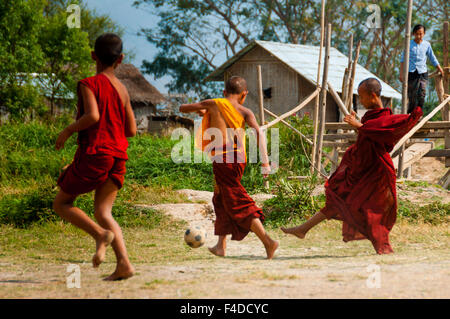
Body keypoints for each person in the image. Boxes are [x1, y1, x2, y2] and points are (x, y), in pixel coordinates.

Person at [282, 78, 423, 254]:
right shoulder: (371, 118)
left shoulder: (386, 118)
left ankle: (383, 247)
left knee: (372, 208)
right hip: (360, 169)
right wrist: (360, 126)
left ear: (373, 96)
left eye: (363, 97)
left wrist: (360, 126)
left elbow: (382, 133)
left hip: (375, 172)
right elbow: (370, 133)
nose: (361, 101)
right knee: (336, 199)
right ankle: (303, 229)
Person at [53, 33, 137, 280]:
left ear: (93, 56)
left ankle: (100, 235)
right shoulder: (123, 89)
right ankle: (124, 264)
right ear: (121, 59)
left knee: (62, 203)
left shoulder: (88, 83)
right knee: (103, 212)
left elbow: (93, 116)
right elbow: (131, 130)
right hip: (118, 156)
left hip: (97, 153)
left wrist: (68, 130)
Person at [179, 76, 279, 259]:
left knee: (236, 200)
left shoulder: (214, 103)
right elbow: (258, 133)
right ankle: (221, 246)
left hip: (224, 159)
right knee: (220, 199)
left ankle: (268, 242)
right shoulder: (246, 111)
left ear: (224, 93)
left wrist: (203, 109)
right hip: (238, 158)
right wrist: (265, 163)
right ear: (244, 94)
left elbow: (183, 108)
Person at [400, 24, 444, 113]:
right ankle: (410, 114)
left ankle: (418, 113)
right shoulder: (409, 44)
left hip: (423, 72)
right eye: (417, 34)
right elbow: (402, 60)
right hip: (411, 72)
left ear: (424, 34)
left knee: (422, 94)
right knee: (412, 96)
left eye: (421, 34)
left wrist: (439, 68)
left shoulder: (427, 45)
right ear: (413, 34)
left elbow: (432, 57)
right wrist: (401, 74)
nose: (419, 36)